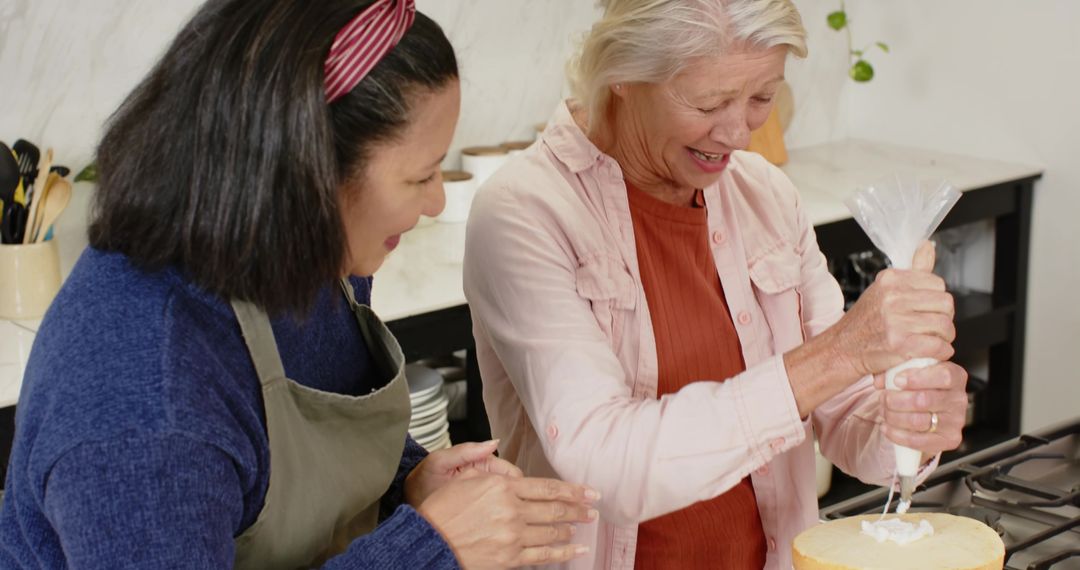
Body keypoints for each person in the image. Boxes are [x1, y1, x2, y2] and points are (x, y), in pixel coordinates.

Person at [0, 1, 599, 568]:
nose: (436, 201)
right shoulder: (143, 402)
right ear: (308, 174)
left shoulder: (308, 259)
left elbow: (294, 472)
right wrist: (431, 548)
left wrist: (407, 483)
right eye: (420, 177)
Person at [461, 0, 969, 568]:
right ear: (623, 73)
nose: (738, 135)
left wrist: (909, 426)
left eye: (761, 98)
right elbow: (603, 465)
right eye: (708, 102)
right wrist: (839, 354)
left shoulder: (767, 197)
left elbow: (849, 418)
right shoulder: (523, 213)